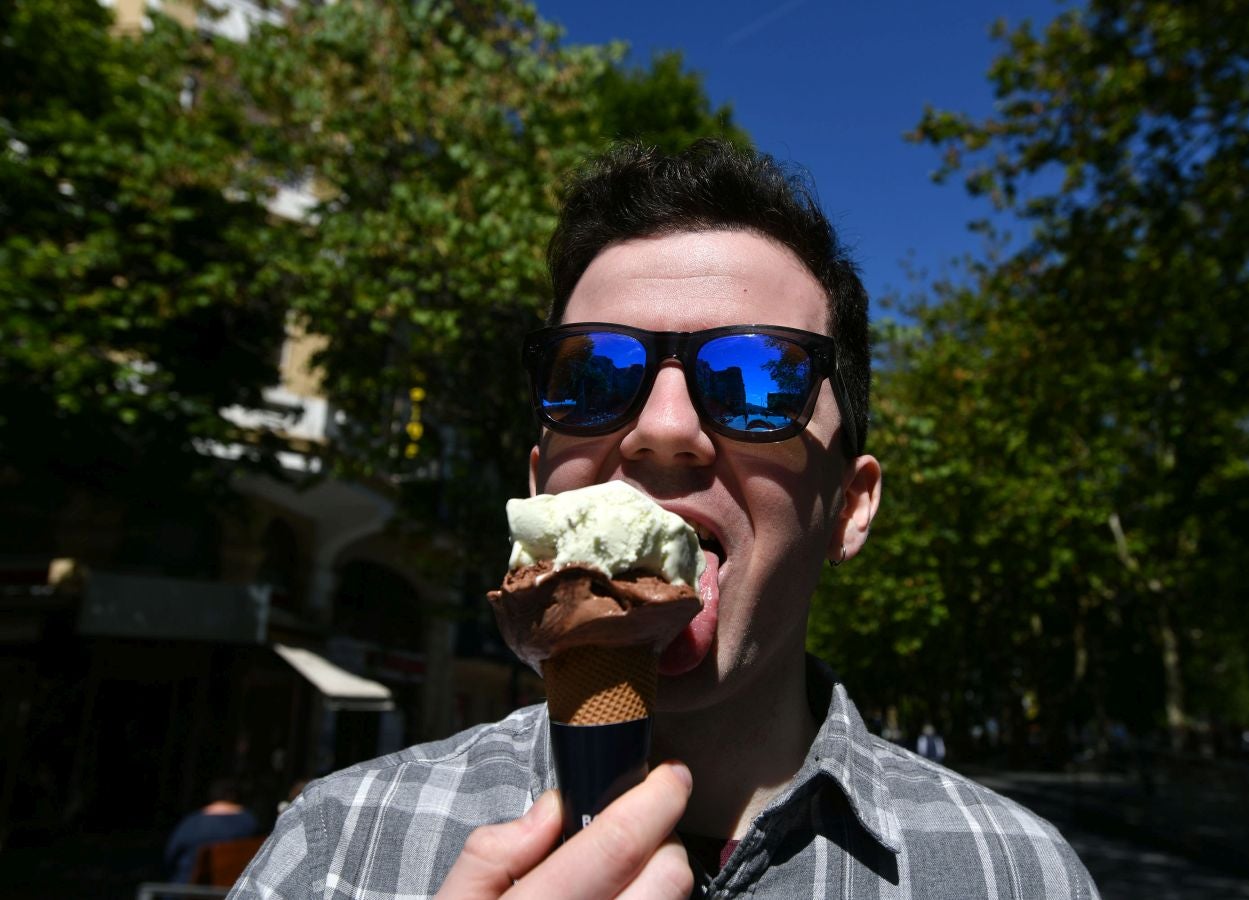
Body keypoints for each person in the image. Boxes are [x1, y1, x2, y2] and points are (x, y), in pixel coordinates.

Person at [230, 140, 1100, 899]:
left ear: (849, 507)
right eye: (595, 375)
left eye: (757, 380)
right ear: (541, 487)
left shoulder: (1019, 876)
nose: (663, 430)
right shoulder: (338, 850)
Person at [165, 777, 259, 884]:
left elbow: (171, 858)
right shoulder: (249, 823)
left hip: (187, 890)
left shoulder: (191, 823)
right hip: (232, 890)